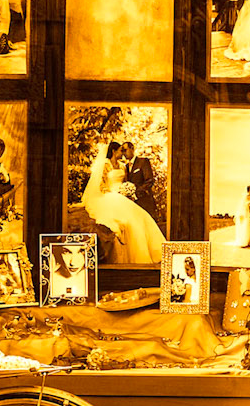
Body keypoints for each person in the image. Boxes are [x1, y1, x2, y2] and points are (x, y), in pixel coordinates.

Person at [80, 129, 165, 265]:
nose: (123, 153)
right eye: (121, 150)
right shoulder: (106, 165)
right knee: (125, 221)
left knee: (139, 217)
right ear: (114, 151)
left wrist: (126, 190)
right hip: (109, 196)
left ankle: (152, 251)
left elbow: (126, 181)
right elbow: (100, 184)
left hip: (122, 196)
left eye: (124, 150)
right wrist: (111, 191)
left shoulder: (122, 166)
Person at [44, 238, 92, 304]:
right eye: (66, 252)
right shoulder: (51, 278)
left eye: (81, 251)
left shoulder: (90, 279)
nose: (73, 263)